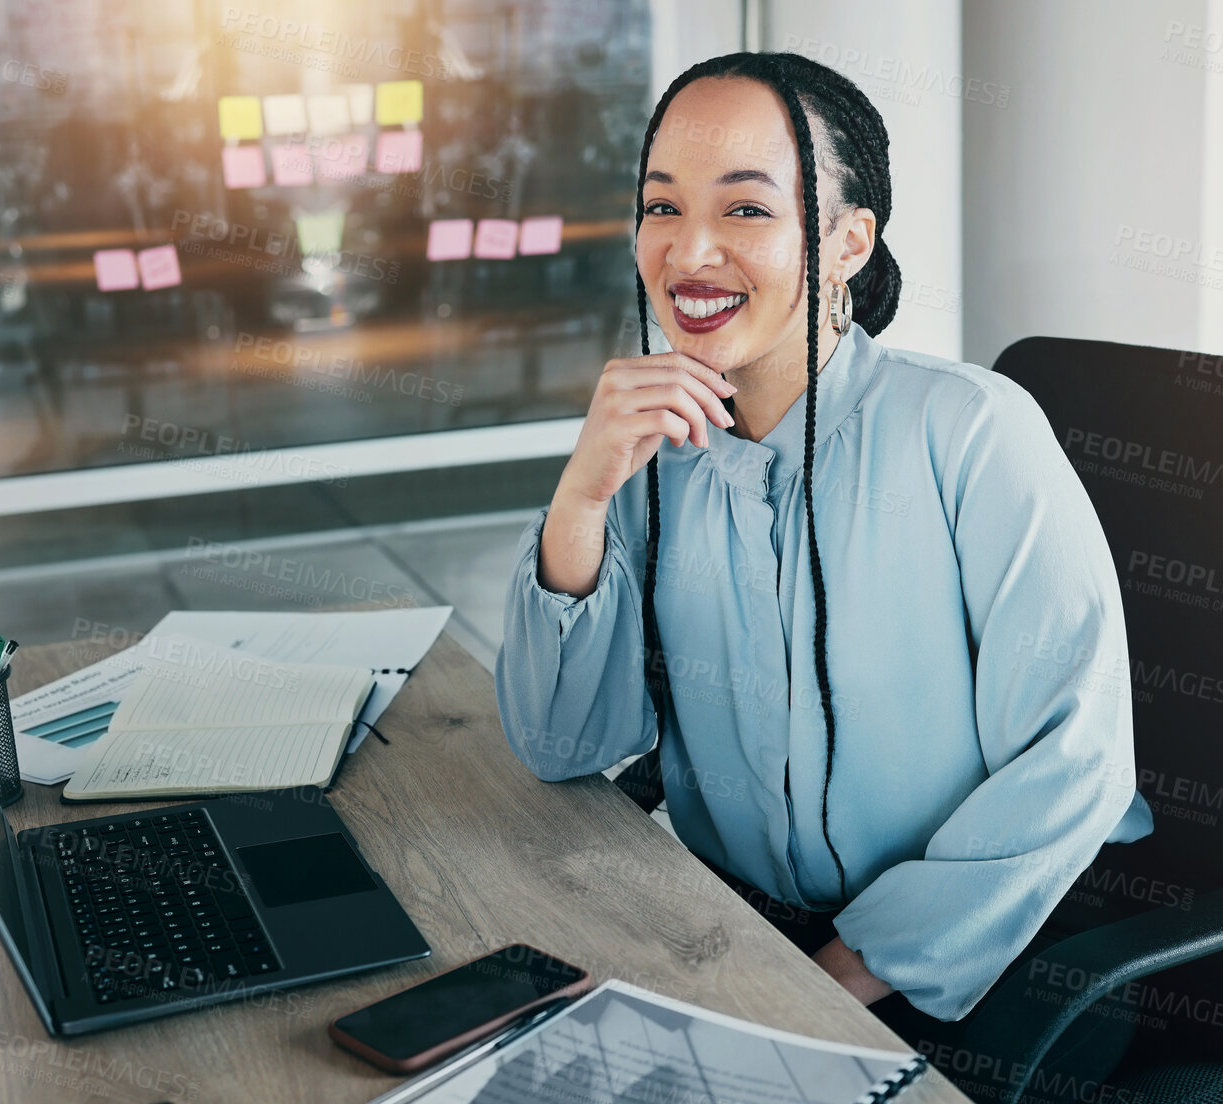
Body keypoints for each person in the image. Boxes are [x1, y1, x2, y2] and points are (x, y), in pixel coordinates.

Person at [494, 51, 1153, 1100]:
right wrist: (579, 497)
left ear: (847, 242)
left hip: (993, 957)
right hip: (750, 927)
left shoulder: (971, 433)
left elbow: (1075, 758)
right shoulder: (653, 448)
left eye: (746, 211)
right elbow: (560, 743)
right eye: (660, 206)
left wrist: (831, 979)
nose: (690, 251)